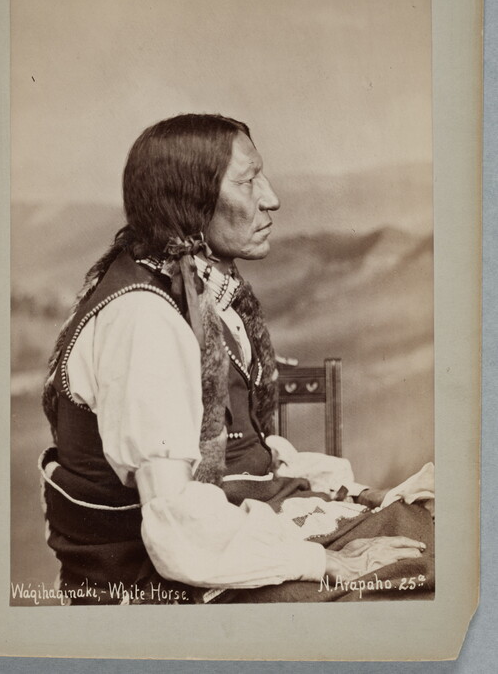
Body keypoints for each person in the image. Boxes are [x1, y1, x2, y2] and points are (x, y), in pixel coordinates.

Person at [40, 113, 432, 605]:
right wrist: (322, 563)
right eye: (248, 181)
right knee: (424, 572)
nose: (272, 199)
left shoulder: (191, 291)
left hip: (223, 533)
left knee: (441, 529)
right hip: (157, 586)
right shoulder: (144, 319)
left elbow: (243, 454)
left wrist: (354, 494)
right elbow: (177, 528)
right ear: (190, 201)